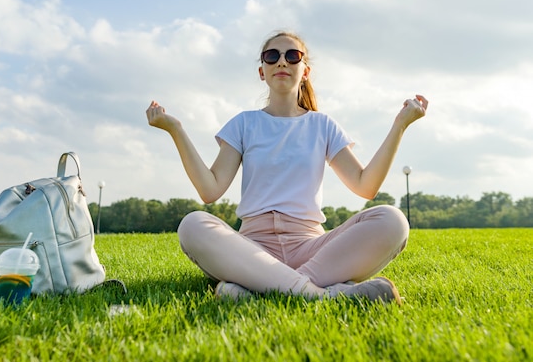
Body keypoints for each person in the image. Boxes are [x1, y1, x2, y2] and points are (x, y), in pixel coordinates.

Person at [146, 30, 428, 304]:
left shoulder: (323, 125)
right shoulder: (244, 123)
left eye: (293, 56)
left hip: (311, 250)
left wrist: (399, 126)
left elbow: (365, 186)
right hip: (251, 250)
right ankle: (321, 294)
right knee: (193, 224)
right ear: (262, 71)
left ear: (305, 71)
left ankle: (259, 289)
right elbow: (210, 190)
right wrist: (176, 130)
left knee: (393, 220)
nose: (282, 61)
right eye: (272, 56)